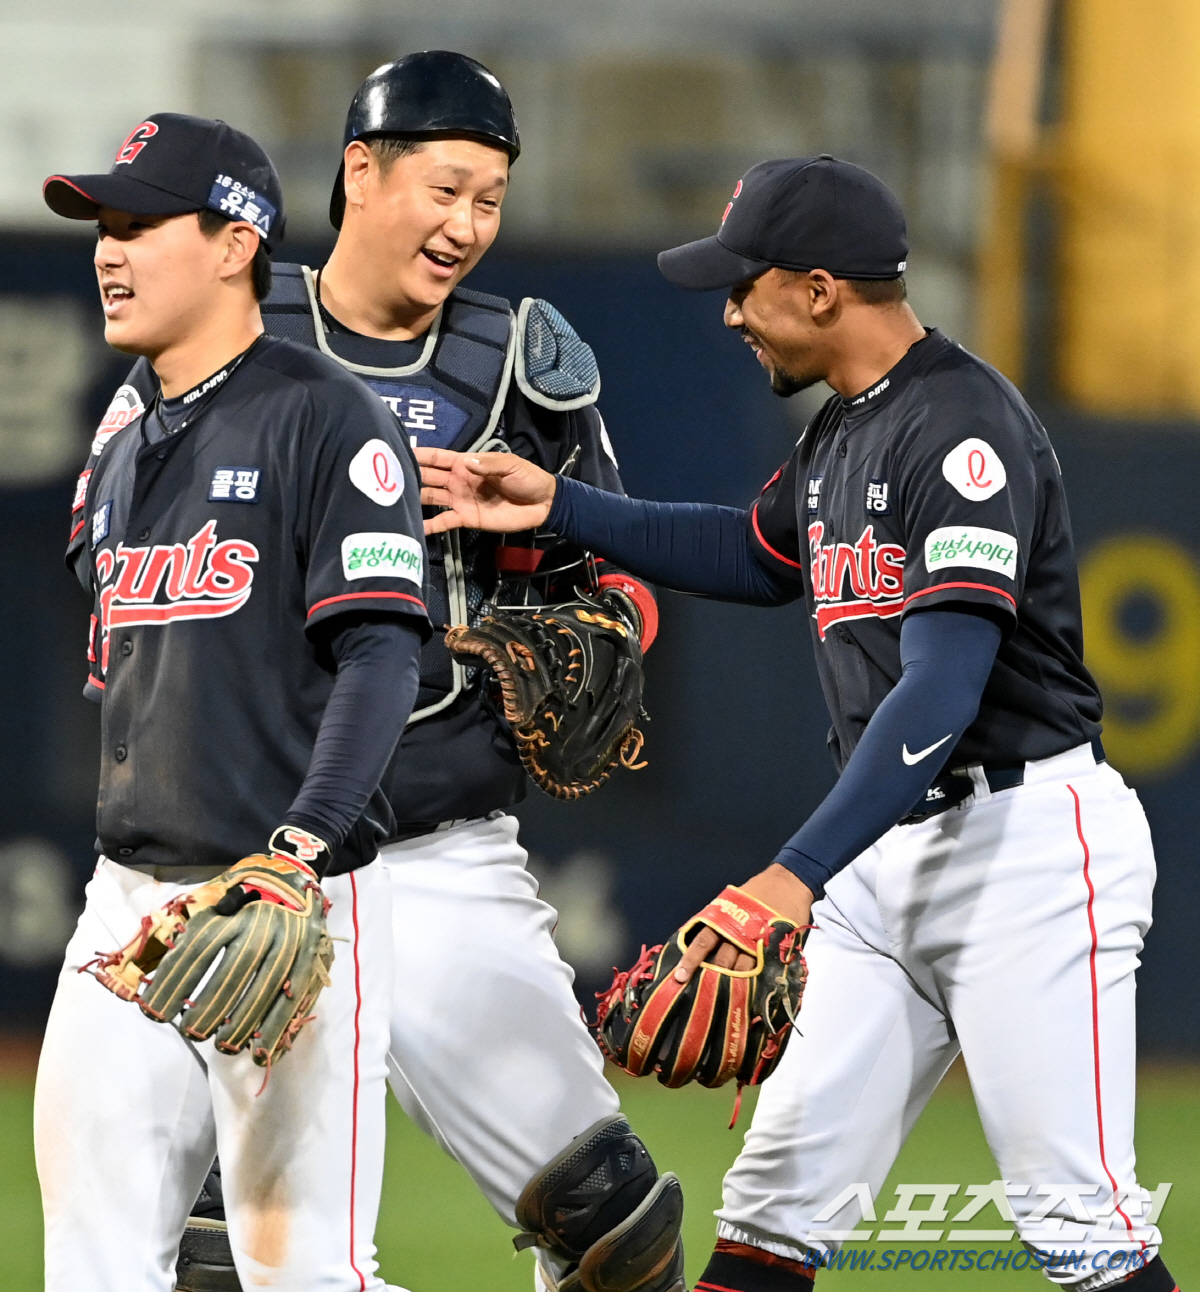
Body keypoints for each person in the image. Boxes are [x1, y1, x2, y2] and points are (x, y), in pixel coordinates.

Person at [422, 155, 1179, 1291]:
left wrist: (793, 876)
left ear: (822, 288)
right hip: (887, 857)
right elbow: (753, 552)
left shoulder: (960, 426)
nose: (731, 311)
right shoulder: (842, 433)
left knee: (1081, 1223)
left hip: (1028, 851)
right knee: (773, 1210)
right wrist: (562, 504)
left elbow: (945, 684)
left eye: (746, 284)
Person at [81, 55, 683, 1292]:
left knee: (619, 1232)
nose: (468, 225)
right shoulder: (231, 329)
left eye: (493, 199)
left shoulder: (527, 362)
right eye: (447, 187)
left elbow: (621, 584)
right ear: (362, 170)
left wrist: (564, 592)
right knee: (219, 1259)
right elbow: (116, 560)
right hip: (255, 862)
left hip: (439, 838)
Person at [39, 113, 429, 1292]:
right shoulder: (121, 447)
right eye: (102, 227)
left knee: (303, 1273)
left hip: (289, 906)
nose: (108, 250)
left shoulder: (326, 416)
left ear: (233, 241)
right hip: (126, 915)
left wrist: (299, 850)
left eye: (139, 224)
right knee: (95, 1268)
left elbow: (381, 657)